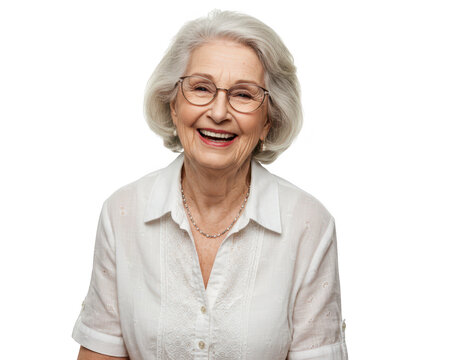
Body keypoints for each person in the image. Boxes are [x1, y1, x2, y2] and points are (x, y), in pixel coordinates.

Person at [72, 10, 348, 360]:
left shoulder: (308, 223)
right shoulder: (122, 212)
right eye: (201, 88)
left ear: (269, 120)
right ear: (173, 105)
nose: (219, 112)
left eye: (244, 95)